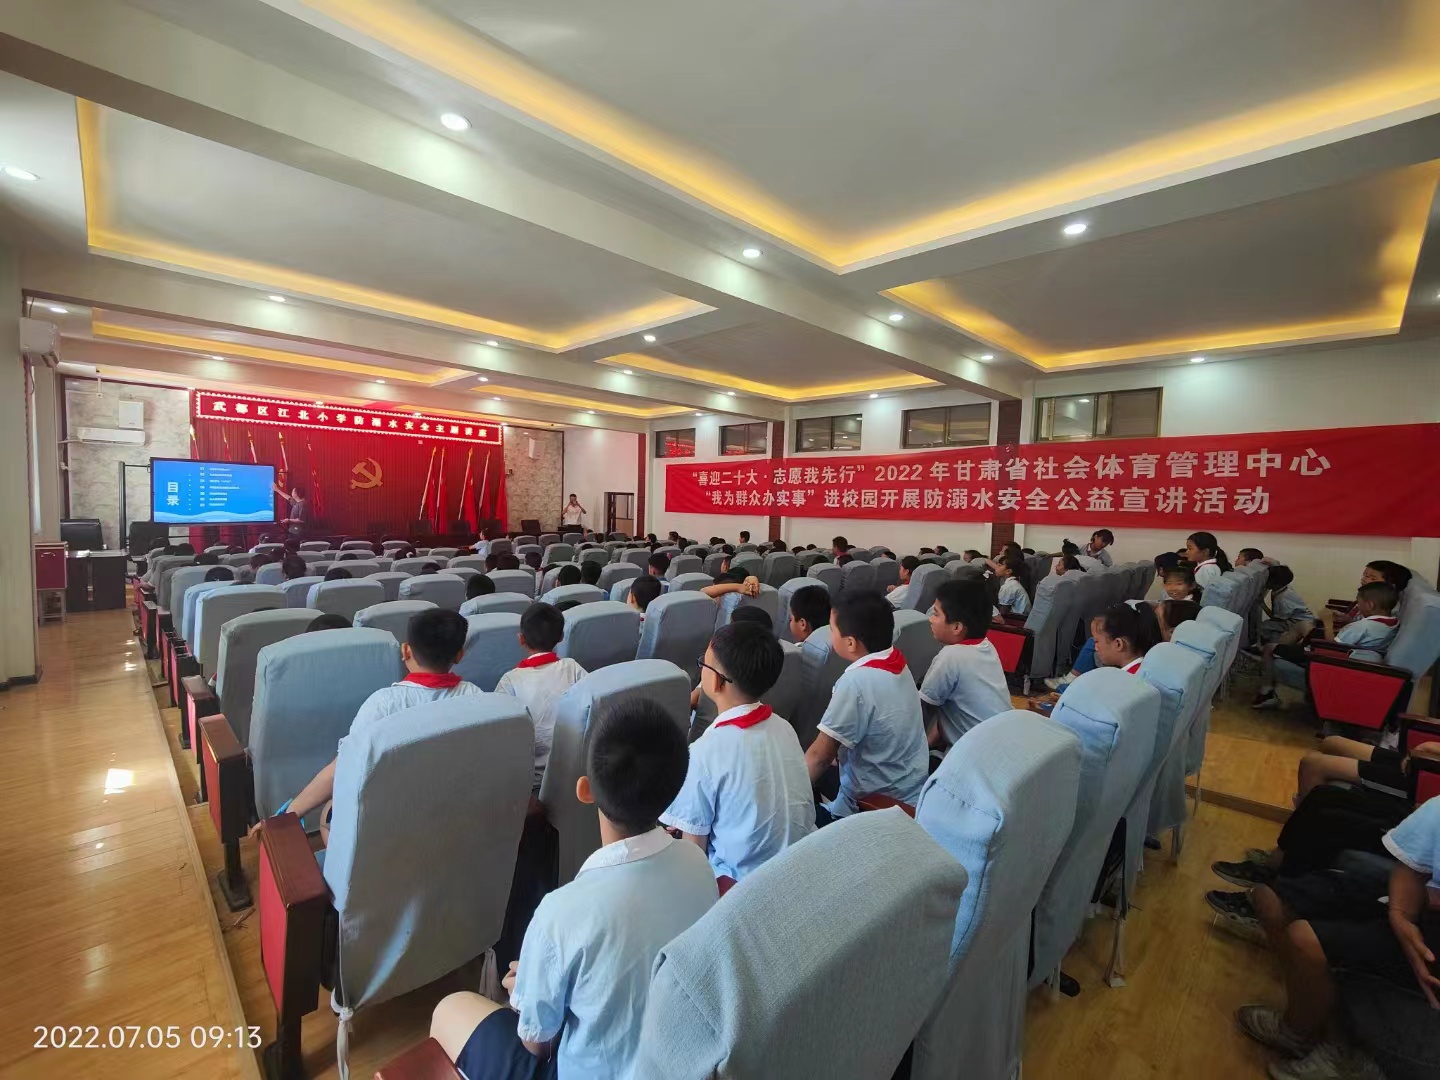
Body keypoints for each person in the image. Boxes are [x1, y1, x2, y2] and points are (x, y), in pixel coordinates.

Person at [429, 699, 715, 1080]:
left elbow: (536, 1043)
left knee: (449, 1009)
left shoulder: (560, 913)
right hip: (671, 1061)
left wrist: (526, 991)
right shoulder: (699, 866)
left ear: (585, 789)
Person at [1230, 797, 1440, 1080]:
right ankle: (1305, 1025)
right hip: (1416, 914)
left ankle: (1327, 1042)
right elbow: (1412, 865)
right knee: (1271, 899)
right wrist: (1401, 915)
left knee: (1305, 939)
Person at [271, 609, 482, 828]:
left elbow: (343, 768)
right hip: (456, 810)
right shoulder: (476, 697)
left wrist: (291, 811)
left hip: (397, 820)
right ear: (460, 655)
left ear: (405, 650)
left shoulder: (383, 703)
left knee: (330, 813)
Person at [662, 622, 815, 882]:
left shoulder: (705, 752)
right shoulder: (784, 728)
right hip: (799, 869)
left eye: (704, 663)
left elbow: (694, 851)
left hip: (742, 887)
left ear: (716, 680)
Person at [804, 592, 928, 822]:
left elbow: (820, 756)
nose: (830, 635)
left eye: (832, 629)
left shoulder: (855, 682)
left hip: (871, 807)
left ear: (850, 643)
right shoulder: (896, 660)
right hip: (910, 789)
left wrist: (788, 797)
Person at [1253, 581, 1399, 710]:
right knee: (1303, 627)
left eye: (1359, 603)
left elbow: (1333, 647)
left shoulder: (1362, 626)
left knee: (1269, 648)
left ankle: (1266, 692)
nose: (1358, 607)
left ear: (1370, 605)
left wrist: (1327, 621)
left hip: (1328, 661)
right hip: (1351, 657)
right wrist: (1347, 620)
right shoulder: (1391, 623)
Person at [494, 604, 588, 791]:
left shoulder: (510, 679)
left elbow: (500, 733)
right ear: (561, 637)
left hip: (532, 781)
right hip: (574, 770)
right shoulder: (572, 667)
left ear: (521, 639)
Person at [920, 580, 1011, 749]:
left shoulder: (951, 656)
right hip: (1001, 738)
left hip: (975, 752)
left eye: (936, 614)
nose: (930, 619)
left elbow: (924, 709)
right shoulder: (986, 645)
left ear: (956, 627)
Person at [1258, 564, 1317, 646]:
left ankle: (1268, 646)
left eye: (1266, 579)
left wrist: (1262, 604)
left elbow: (1277, 619)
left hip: (1297, 622)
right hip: (1298, 619)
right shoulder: (1283, 588)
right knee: (1267, 627)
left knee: (1263, 627)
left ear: (1276, 584)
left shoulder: (1282, 599)